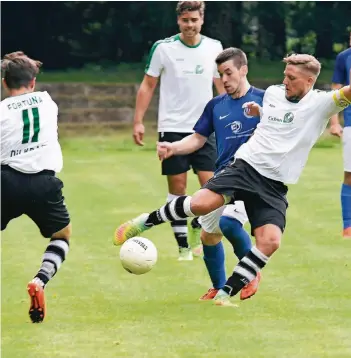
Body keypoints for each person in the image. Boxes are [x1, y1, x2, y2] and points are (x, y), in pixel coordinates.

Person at [115, 53, 351, 306]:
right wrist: (259, 111)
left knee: (270, 241)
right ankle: (144, 222)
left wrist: (258, 110)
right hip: (246, 166)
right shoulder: (273, 93)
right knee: (201, 205)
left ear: (309, 80)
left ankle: (226, 293)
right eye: (284, 75)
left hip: (274, 184)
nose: (285, 81)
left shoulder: (322, 103)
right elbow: (275, 116)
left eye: (291, 78)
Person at [156, 48, 264, 301]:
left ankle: (251, 271)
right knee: (209, 233)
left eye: (229, 73)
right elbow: (197, 139)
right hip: (224, 176)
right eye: (220, 74)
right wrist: (174, 147)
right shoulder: (216, 105)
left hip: (254, 178)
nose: (224, 79)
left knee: (228, 223)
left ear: (243, 70)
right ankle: (218, 287)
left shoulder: (264, 99)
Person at [132, 1, 225, 260]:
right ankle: (183, 246)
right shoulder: (163, 48)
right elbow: (148, 85)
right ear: (179, 21)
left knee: (212, 188)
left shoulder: (214, 48)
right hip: (172, 129)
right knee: (178, 189)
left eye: (194, 20)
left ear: (202, 20)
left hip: (205, 129)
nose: (190, 25)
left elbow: (221, 86)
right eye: (185, 21)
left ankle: (198, 227)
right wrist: (138, 121)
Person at [1, 51, 71, 322]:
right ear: (33, 82)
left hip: (6, 180)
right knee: (62, 236)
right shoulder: (47, 102)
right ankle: (40, 280)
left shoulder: (2, 112)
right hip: (45, 183)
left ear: (5, 83)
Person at [329, 32, 351, 238]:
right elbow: (336, 93)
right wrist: (335, 122)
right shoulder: (344, 57)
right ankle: (348, 226)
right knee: (350, 175)